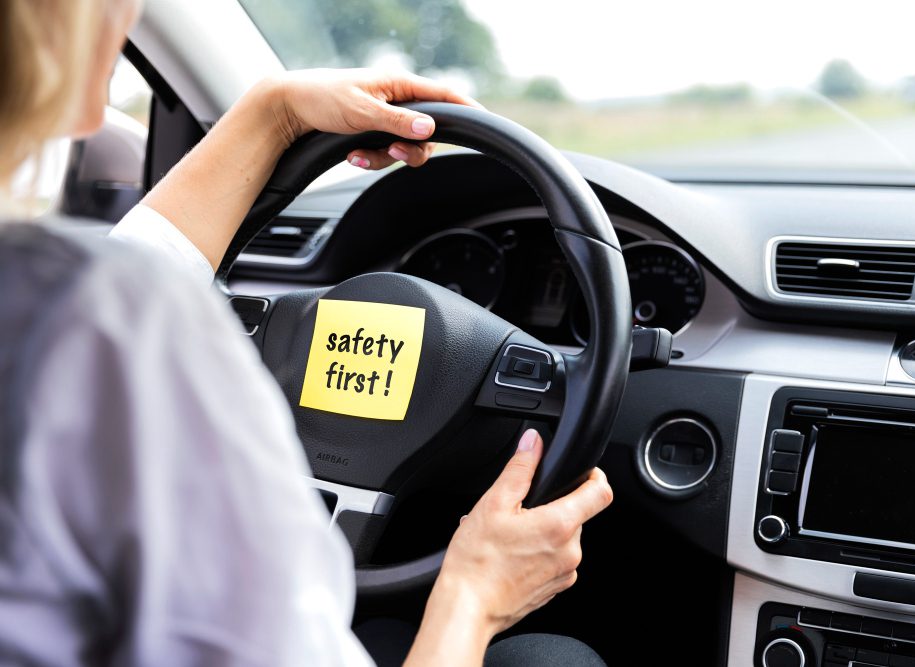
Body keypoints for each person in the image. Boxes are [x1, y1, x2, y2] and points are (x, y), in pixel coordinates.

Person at [0, 1, 614, 665]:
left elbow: (90, 323)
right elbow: (104, 318)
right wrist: (476, 592)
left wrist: (276, 114)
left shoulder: (72, 314)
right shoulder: (118, 321)